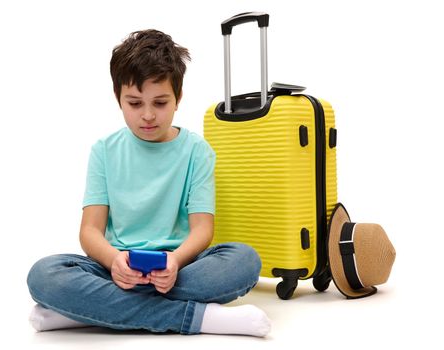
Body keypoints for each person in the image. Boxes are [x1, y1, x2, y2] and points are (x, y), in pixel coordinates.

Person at [26, 29, 271, 337]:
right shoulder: (104, 150)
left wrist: (175, 260)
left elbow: (202, 229)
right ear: (118, 99)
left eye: (160, 102)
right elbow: (90, 231)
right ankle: (201, 318)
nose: (148, 115)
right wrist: (114, 261)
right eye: (135, 103)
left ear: (178, 98)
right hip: (115, 269)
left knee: (244, 260)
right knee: (44, 275)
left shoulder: (197, 151)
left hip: (179, 268)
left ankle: (88, 313)